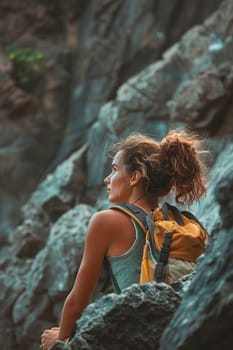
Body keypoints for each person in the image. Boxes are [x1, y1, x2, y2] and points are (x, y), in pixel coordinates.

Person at [41, 129, 207, 349]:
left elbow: (78, 299)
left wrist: (60, 340)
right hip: (180, 330)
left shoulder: (106, 221)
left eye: (114, 170)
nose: (106, 179)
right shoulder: (175, 223)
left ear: (134, 177)